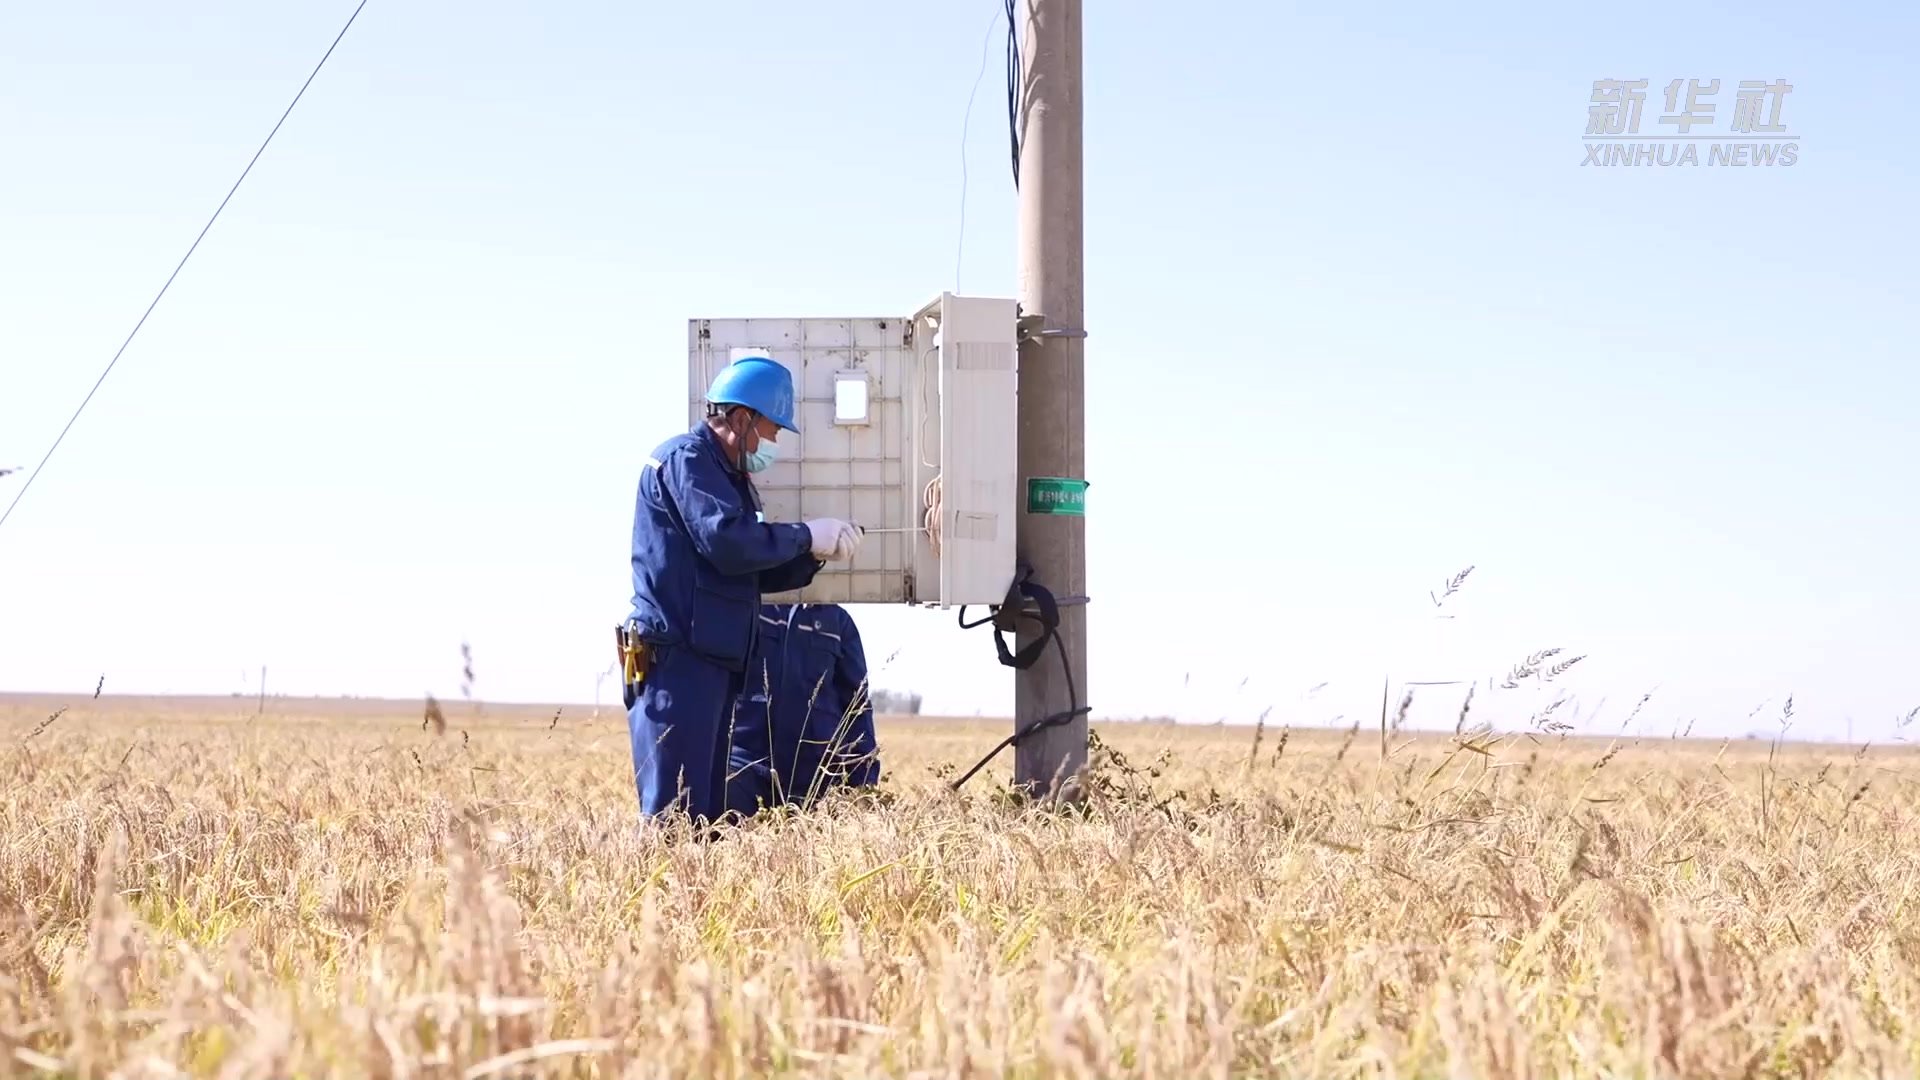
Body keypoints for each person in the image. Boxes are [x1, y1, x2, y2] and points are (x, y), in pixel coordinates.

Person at [619, 355, 863, 825]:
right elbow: (726, 541)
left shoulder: (727, 477)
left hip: (709, 665)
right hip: (677, 662)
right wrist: (804, 534)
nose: (772, 443)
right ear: (740, 418)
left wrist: (811, 556)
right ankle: (656, 900)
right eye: (770, 430)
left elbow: (748, 571)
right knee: (675, 818)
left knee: (704, 819)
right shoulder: (686, 461)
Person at [724, 601, 882, 817]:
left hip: (815, 778)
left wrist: (863, 785)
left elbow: (857, 707)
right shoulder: (747, 607)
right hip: (743, 768)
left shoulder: (837, 622)